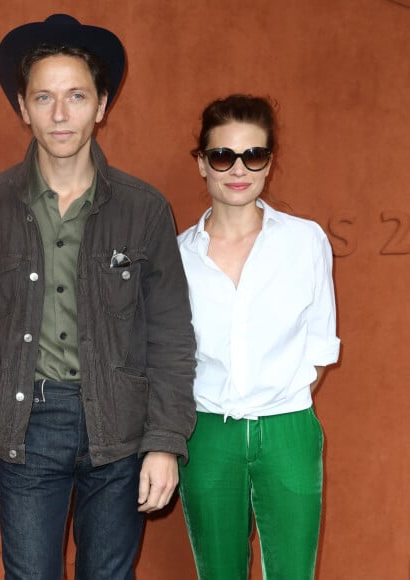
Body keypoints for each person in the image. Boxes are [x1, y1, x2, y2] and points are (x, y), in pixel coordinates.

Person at [0, 14, 197, 580]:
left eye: (77, 96)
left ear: (102, 105)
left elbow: (171, 336)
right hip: (27, 420)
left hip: (121, 421)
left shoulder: (145, 208)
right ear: (23, 106)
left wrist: (164, 442)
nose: (61, 115)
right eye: (45, 97)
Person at [177, 94, 341, 580]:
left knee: (294, 574)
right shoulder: (178, 256)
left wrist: (277, 401)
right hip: (206, 433)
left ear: (269, 163)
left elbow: (319, 343)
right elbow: (170, 356)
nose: (238, 169)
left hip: (289, 429)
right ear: (202, 164)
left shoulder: (305, 241)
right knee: (218, 574)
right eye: (223, 155)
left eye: (255, 154)